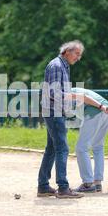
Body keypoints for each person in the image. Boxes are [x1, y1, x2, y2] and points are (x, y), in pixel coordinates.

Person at [38, 40, 85, 199]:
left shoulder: (62, 66)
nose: (78, 58)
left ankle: (43, 186)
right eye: (76, 54)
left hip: (55, 111)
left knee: (52, 148)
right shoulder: (57, 66)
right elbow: (54, 93)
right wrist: (73, 97)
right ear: (67, 51)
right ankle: (63, 187)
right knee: (62, 148)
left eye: (80, 55)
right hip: (54, 112)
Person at [71, 87, 108, 193]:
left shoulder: (64, 93)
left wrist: (101, 107)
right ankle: (97, 182)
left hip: (98, 111)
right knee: (98, 146)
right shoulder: (70, 90)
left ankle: (87, 184)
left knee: (81, 148)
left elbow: (84, 97)